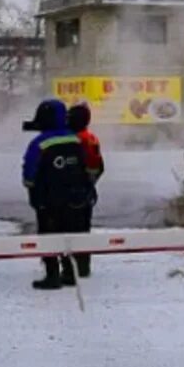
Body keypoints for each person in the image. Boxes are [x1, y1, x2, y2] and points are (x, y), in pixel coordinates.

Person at [21, 99, 91, 290]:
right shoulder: (75, 139)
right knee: (70, 235)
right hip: (74, 198)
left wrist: (32, 189)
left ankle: (52, 275)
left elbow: (29, 171)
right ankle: (69, 273)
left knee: (49, 236)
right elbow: (84, 167)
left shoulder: (40, 142)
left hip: (48, 199)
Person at [67, 101, 104, 278]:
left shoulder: (75, 139)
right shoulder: (91, 137)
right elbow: (99, 167)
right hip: (86, 191)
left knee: (70, 230)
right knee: (83, 230)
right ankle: (83, 266)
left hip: (75, 191)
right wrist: (90, 184)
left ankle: (73, 267)